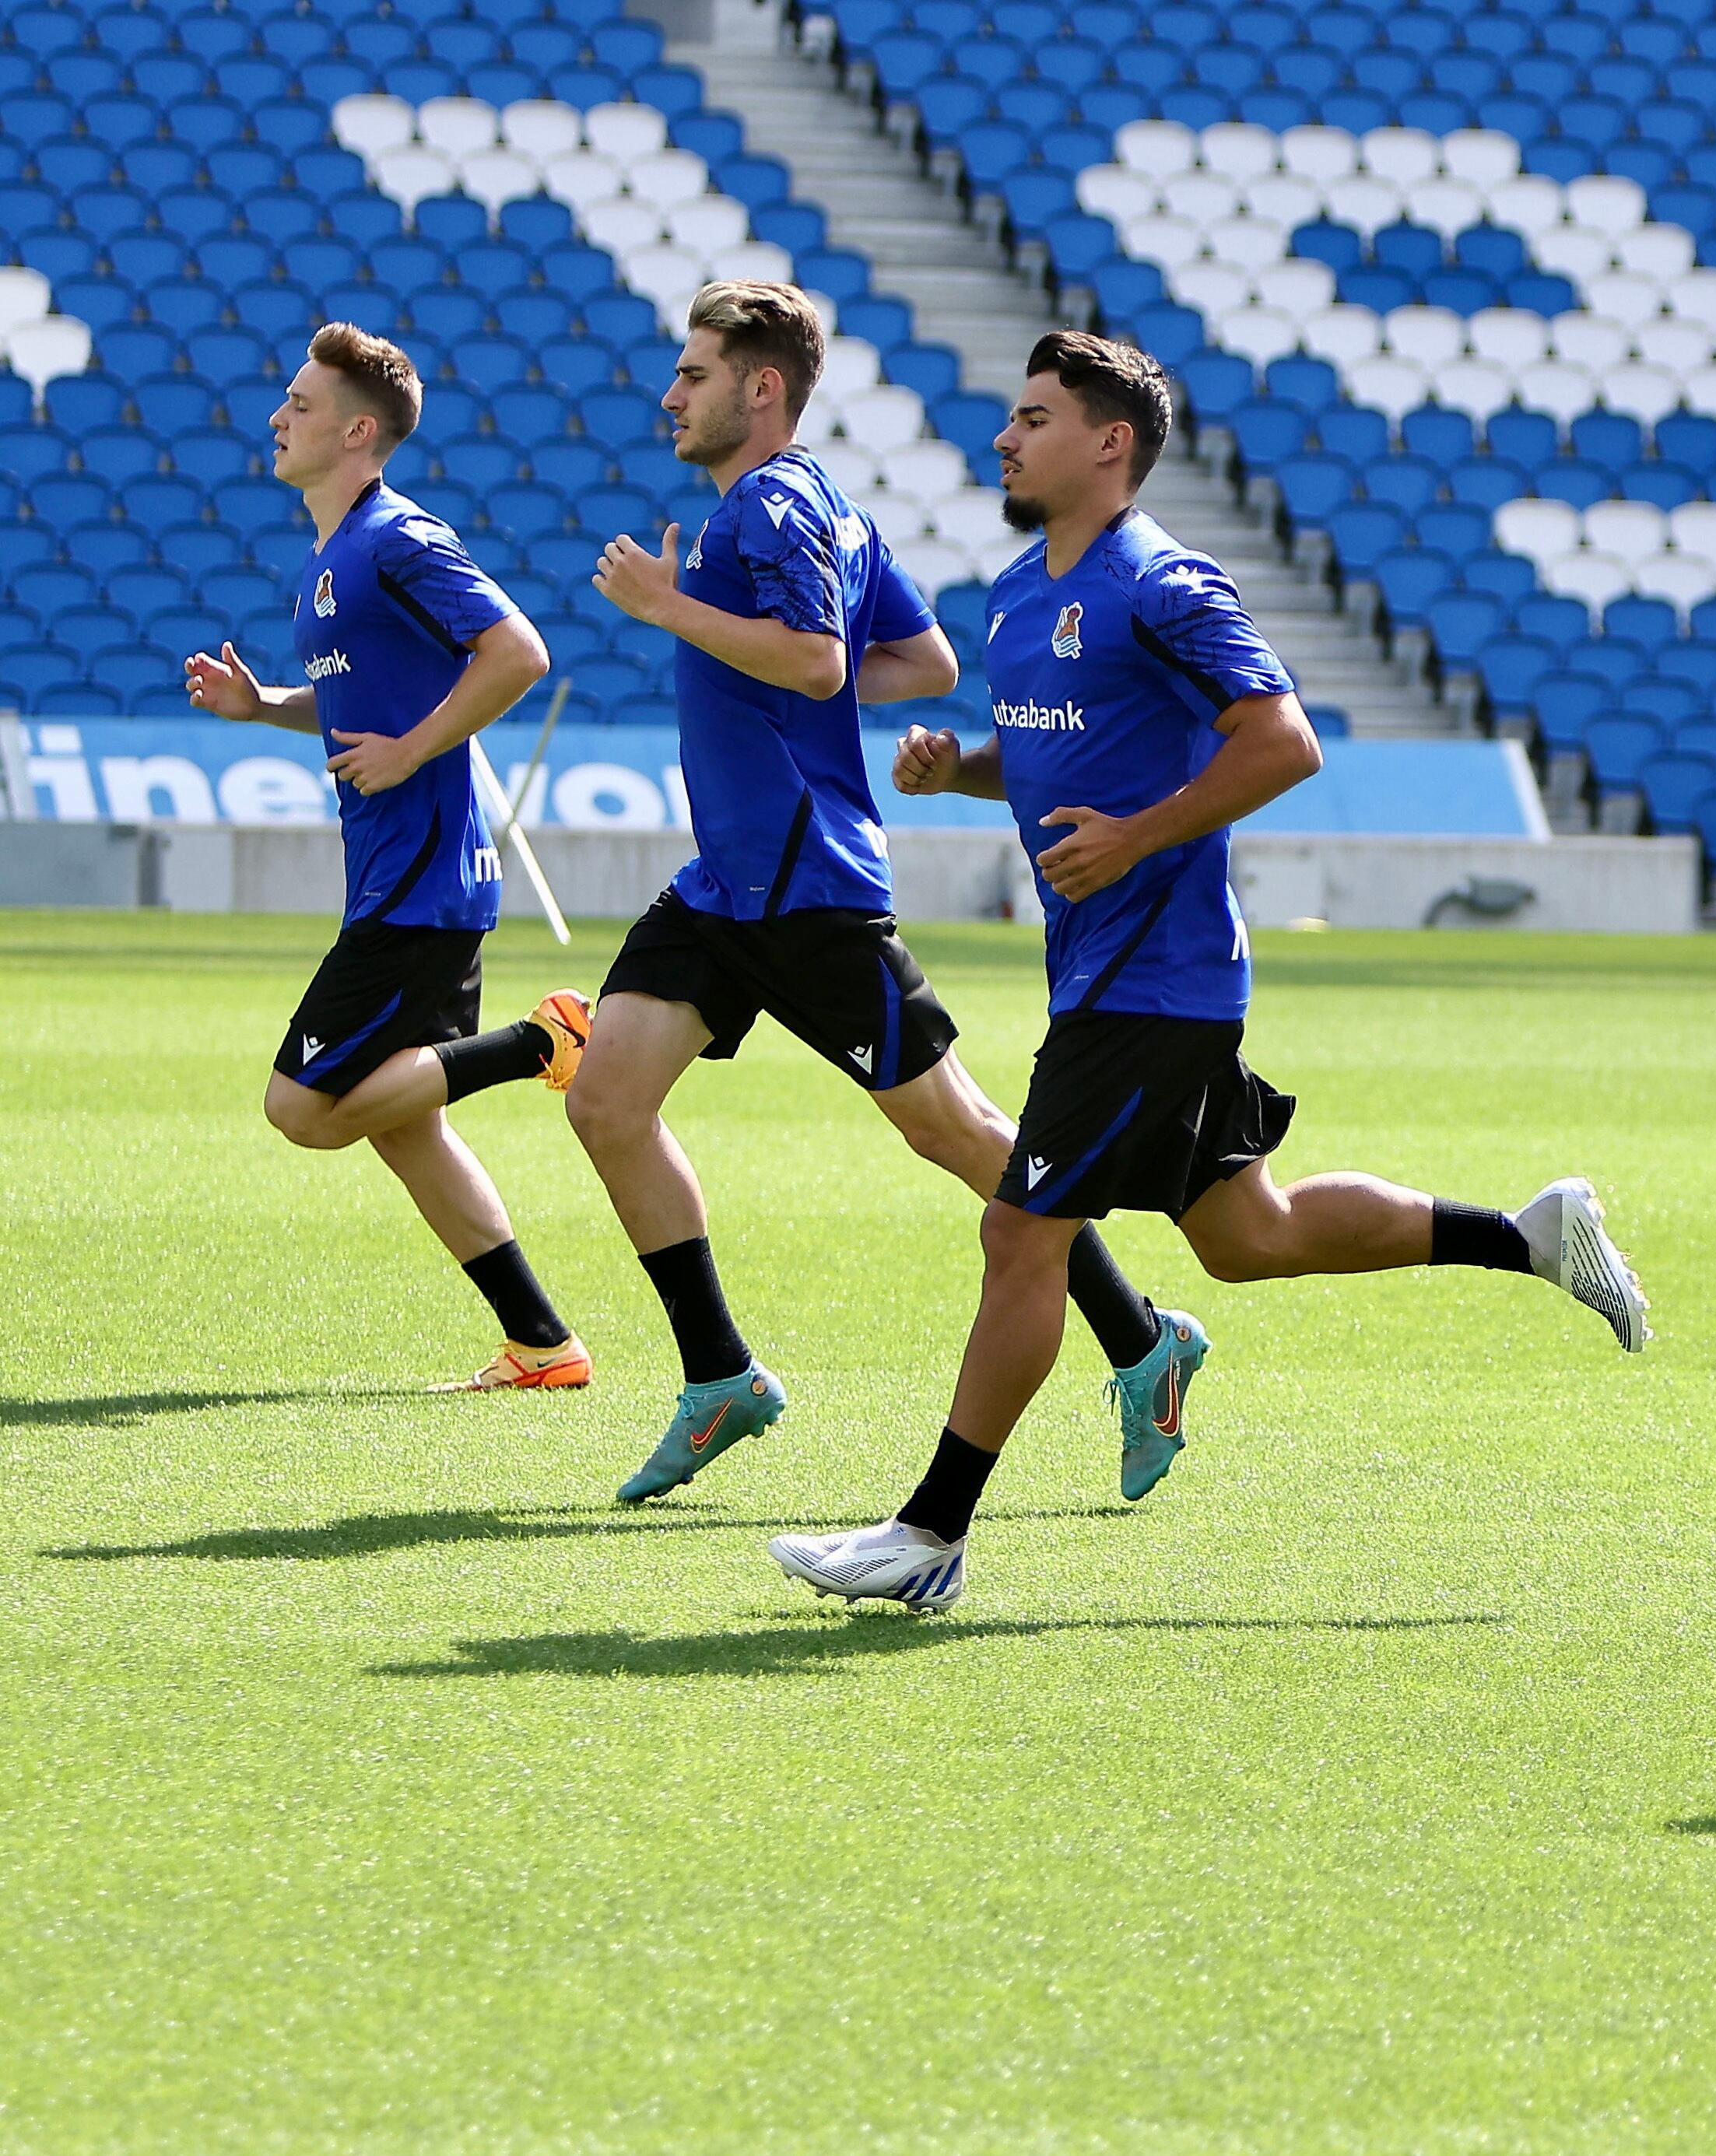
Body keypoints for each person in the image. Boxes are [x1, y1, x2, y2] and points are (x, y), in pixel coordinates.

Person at [765, 333, 1648, 1612]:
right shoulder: (1018, 593)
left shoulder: (1166, 583)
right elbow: (1065, 755)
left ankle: (928, 1536)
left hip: (1157, 979)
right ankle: (1528, 1237)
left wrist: (1139, 835)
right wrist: (962, 770)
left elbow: (1282, 741)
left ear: (1109, 443)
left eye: (1033, 417)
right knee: (1248, 1236)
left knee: (1021, 1230)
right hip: (1110, 978)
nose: (1004, 438)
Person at [570, 281, 1188, 1506]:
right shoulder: (826, 510)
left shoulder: (776, 503)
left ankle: (1142, 1338)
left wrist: (668, 606)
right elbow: (922, 660)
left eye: (694, 375)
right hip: (724, 890)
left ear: (760, 389)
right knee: (604, 1097)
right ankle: (719, 1374)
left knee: (956, 1132)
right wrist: (762, 644)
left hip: (808, 889)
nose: (670, 395)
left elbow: (811, 663)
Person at [182, 323, 598, 1394]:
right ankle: (544, 1344)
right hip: (407, 880)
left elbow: (518, 652)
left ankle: (540, 1041)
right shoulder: (334, 559)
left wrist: (415, 749)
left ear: (360, 431)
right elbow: (363, 699)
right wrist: (262, 704)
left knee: (301, 1106)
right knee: (403, 1129)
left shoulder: (399, 539)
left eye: (302, 404)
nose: (279, 416)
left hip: (418, 887)